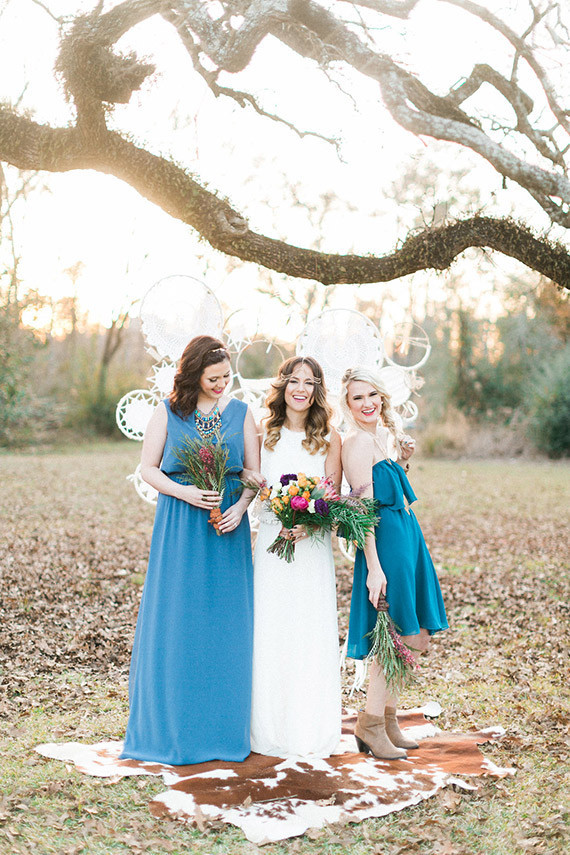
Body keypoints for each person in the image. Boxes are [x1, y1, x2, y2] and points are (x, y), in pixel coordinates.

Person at [121, 335, 259, 765]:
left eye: (227, 377)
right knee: (179, 621)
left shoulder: (241, 414)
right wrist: (184, 492)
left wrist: (240, 507)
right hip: (180, 527)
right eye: (213, 377)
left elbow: (254, 473)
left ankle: (222, 729)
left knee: (226, 625)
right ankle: (174, 728)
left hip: (227, 531)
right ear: (194, 374)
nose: (222, 384)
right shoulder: (167, 412)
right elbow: (147, 468)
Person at [340, 367, 448, 761]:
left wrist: (402, 460)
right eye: (357, 398)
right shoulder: (355, 444)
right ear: (347, 405)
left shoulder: (382, 437)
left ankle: (386, 718)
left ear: (382, 396)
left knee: (415, 635)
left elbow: (395, 487)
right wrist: (374, 566)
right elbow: (361, 509)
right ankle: (369, 723)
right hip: (384, 544)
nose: (367, 403)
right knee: (398, 634)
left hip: (408, 536)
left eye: (372, 395)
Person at [249, 356, 343, 757]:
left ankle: (308, 729)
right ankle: (267, 729)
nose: (301, 389)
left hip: (311, 548)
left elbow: (334, 499)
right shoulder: (262, 434)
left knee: (307, 633)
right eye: (295, 381)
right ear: (283, 386)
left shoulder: (329, 438)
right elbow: (252, 486)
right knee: (270, 632)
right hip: (272, 545)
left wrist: (309, 525)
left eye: (310, 382)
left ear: (318, 390)